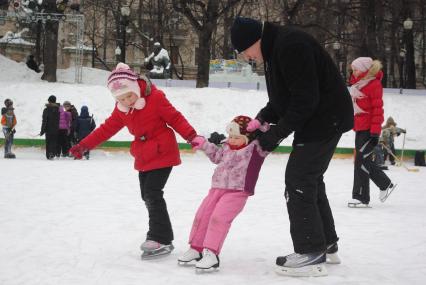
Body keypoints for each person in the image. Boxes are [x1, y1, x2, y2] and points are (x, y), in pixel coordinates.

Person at [230, 17, 354, 277]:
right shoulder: (275, 50)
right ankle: (326, 243)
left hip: (325, 118)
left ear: (255, 41)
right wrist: (261, 119)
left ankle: (311, 252)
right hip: (318, 118)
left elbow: (304, 100)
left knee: (298, 179)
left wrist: (274, 136)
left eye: (245, 52)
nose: (248, 58)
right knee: (309, 179)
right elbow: (282, 99)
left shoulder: (291, 45)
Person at [69, 62, 199, 259]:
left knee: (152, 193)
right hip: (144, 154)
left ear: (136, 87)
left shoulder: (155, 98)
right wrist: (84, 145)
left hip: (163, 151)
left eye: (129, 95)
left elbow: (175, 118)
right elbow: (106, 129)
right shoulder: (122, 109)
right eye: (121, 98)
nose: (127, 101)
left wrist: (191, 136)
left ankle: (159, 237)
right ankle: (162, 235)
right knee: (146, 195)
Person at [177, 115, 269, 271]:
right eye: (230, 136)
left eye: (236, 137)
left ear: (248, 137)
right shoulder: (226, 146)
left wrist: (261, 125)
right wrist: (204, 144)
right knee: (202, 215)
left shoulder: (256, 149)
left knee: (218, 218)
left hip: (238, 191)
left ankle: (212, 254)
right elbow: (216, 156)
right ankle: (196, 248)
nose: (232, 139)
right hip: (217, 188)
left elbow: (270, 135)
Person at [347, 57, 396, 208]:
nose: (353, 72)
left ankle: (362, 197)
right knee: (362, 161)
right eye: (353, 69)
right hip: (360, 128)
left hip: (369, 130)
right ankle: (385, 184)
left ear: (364, 69)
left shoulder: (373, 85)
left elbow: (377, 109)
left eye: (356, 69)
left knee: (362, 162)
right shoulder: (357, 85)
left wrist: (375, 131)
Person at [40, 95, 60, 160]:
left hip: (48, 129)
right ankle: (52, 153)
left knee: (48, 142)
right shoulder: (58, 109)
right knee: (53, 142)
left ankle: (49, 154)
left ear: (49, 101)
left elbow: (44, 121)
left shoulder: (46, 110)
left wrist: (42, 130)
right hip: (56, 129)